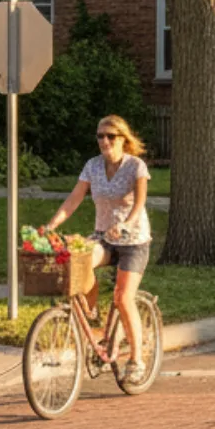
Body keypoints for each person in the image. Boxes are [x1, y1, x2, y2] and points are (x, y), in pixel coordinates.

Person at [42, 114, 153, 381]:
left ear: (123, 139)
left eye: (110, 136)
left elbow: (139, 203)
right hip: (104, 236)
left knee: (123, 298)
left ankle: (136, 360)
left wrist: (125, 224)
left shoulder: (135, 166)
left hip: (133, 240)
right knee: (79, 262)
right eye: (100, 136)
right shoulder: (92, 166)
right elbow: (74, 199)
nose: (104, 141)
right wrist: (51, 225)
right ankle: (92, 314)